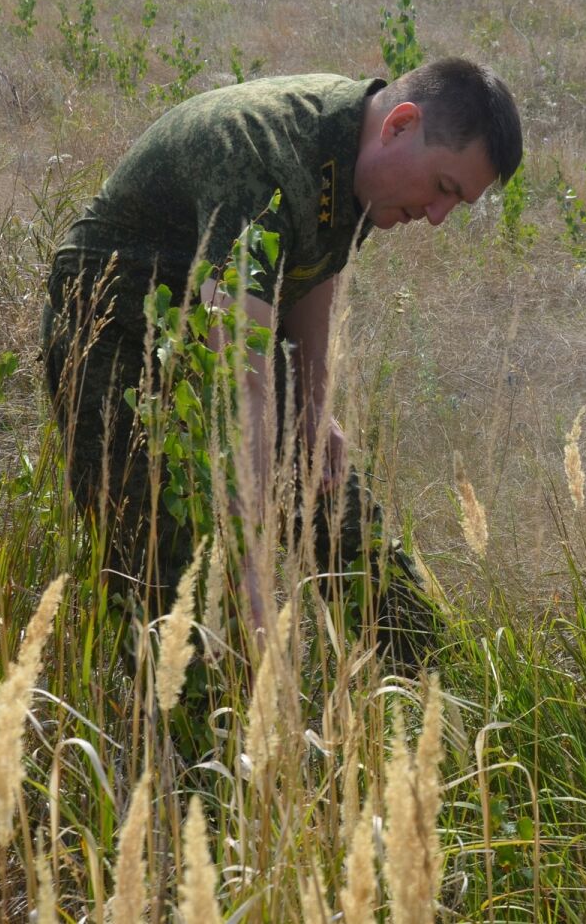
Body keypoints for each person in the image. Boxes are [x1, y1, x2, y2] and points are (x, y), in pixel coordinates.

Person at [43, 57, 522, 658]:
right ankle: (186, 739)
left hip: (213, 320)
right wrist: (252, 575)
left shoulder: (364, 160)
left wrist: (315, 407)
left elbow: (313, 263)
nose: (436, 216)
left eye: (458, 204)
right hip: (112, 330)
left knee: (339, 512)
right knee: (175, 582)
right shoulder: (264, 156)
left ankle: (442, 692)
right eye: (445, 188)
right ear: (399, 125)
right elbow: (240, 384)